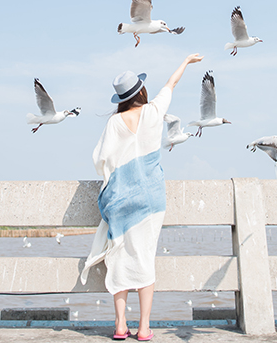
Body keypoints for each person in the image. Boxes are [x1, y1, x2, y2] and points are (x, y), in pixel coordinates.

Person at [81, 53, 203, 341]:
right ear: (142, 92)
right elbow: (171, 85)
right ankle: (144, 327)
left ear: (121, 98)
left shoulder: (114, 123)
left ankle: (120, 325)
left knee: (120, 258)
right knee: (145, 258)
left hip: (121, 201)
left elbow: (99, 159)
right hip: (151, 201)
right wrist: (185, 61)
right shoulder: (153, 112)